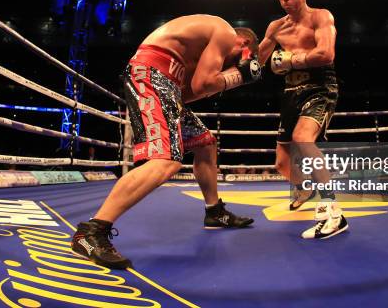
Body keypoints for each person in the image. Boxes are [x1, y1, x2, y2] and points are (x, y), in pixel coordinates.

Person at [72, 14, 261, 269]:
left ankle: (214, 212)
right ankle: (91, 232)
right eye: (240, 59)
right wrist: (238, 76)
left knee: (205, 143)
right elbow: (206, 83)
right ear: (244, 45)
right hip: (151, 74)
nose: (231, 64)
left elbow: (193, 90)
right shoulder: (226, 32)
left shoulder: (193, 52)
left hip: (164, 83)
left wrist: (227, 78)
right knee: (166, 161)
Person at [258, 0, 348, 239]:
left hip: (320, 86)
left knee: (302, 138)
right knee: (282, 163)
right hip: (290, 92)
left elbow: (326, 54)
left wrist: (290, 58)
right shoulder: (276, 27)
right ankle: (304, 188)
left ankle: (334, 212)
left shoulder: (321, 16)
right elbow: (258, 61)